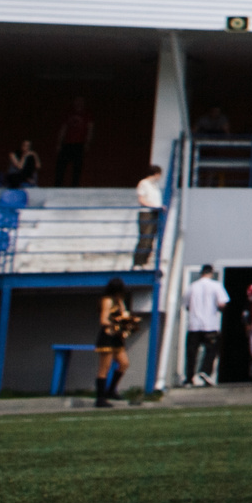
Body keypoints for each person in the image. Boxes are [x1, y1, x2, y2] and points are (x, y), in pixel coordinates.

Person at [93, 279, 141, 408]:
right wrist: (116, 325)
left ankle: (111, 390)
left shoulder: (119, 301)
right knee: (105, 368)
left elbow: (124, 315)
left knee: (124, 363)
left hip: (117, 338)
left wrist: (127, 324)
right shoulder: (107, 300)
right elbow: (103, 320)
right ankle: (100, 398)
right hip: (107, 336)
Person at [182, 265, 227, 387]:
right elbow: (222, 303)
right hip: (210, 324)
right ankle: (205, 371)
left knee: (191, 352)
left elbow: (186, 305)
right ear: (211, 273)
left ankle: (189, 378)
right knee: (211, 350)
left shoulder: (192, 286)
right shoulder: (216, 286)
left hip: (194, 325)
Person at [56, 98, 93, 189]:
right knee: (61, 166)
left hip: (79, 144)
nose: (78, 103)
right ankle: (57, 186)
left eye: (80, 101)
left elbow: (90, 128)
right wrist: (59, 142)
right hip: (67, 143)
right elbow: (64, 128)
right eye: (77, 101)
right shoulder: (69, 113)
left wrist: (87, 142)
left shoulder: (86, 114)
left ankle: (74, 187)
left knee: (77, 167)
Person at [132, 165, 165, 267]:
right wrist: (154, 206)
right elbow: (141, 199)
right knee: (145, 239)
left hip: (155, 213)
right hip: (146, 213)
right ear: (156, 174)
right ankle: (138, 262)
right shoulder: (144, 183)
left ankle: (145, 261)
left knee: (150, 239)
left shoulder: (155, 185)